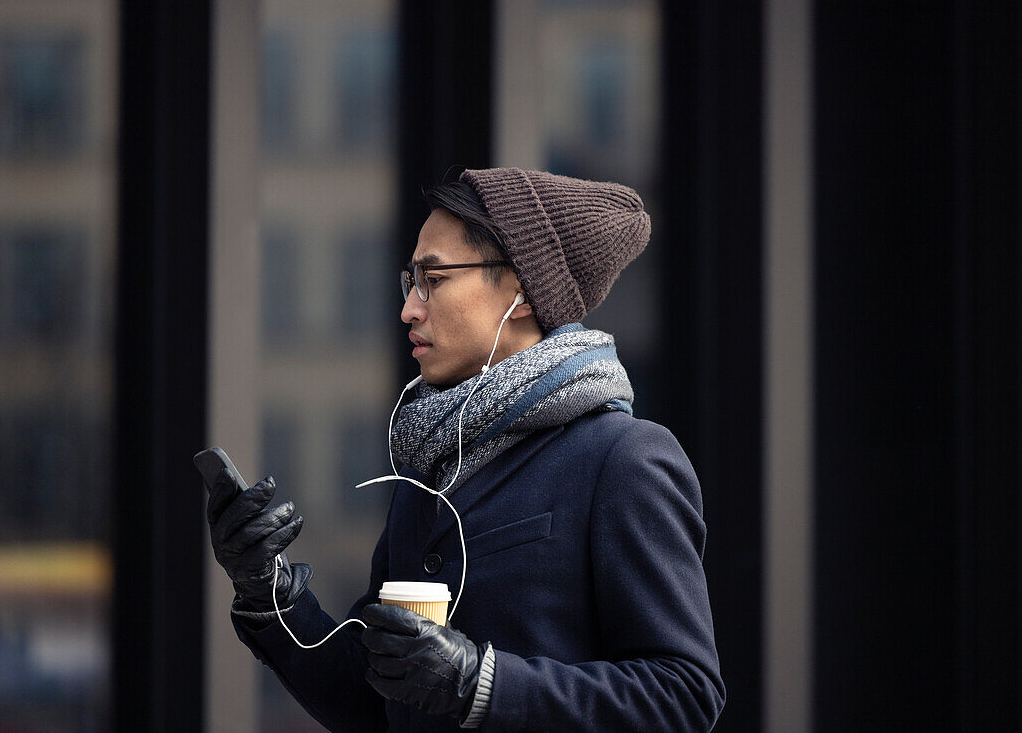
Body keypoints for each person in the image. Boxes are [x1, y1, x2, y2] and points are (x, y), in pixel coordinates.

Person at [203, 167, 726, 731]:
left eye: (435, 278)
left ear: (522, 288)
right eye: (411, 281)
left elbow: (685, 696)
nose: (409, 308)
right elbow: (375, 703)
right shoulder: (432, 467)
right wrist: (269, 592)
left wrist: (483, 684)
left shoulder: (625, 459)